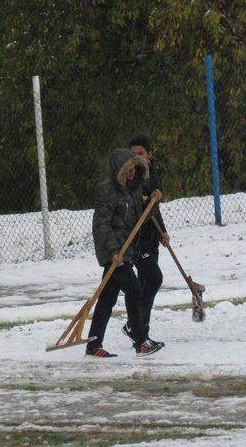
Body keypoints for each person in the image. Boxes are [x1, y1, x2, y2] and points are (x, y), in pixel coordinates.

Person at [87, 148, 163, 358]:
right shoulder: (107, 191)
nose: (132, 174)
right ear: (120, 170)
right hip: (113, 252)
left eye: (134, 170)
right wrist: (113, 251)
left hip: (126, 251)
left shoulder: (134, 190)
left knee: (107, 298)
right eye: (128, 171)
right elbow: (101, 224)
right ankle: (141, 342)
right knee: (134, 289)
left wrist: (152, 204)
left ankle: (93, 345)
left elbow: (140, 221)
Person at [122, 135, 170, 348]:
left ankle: (142, 335)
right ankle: (135, 326)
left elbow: (154, 208)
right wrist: (142, 200)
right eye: (133, 154)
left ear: (149, 155)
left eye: (140, 154)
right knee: (153, 278)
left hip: (151, 235)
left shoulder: (153, 174)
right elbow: (133, 204)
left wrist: (163, 232)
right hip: (137, 237)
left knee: (144, 282)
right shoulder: (131, 177)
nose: (136, 158)